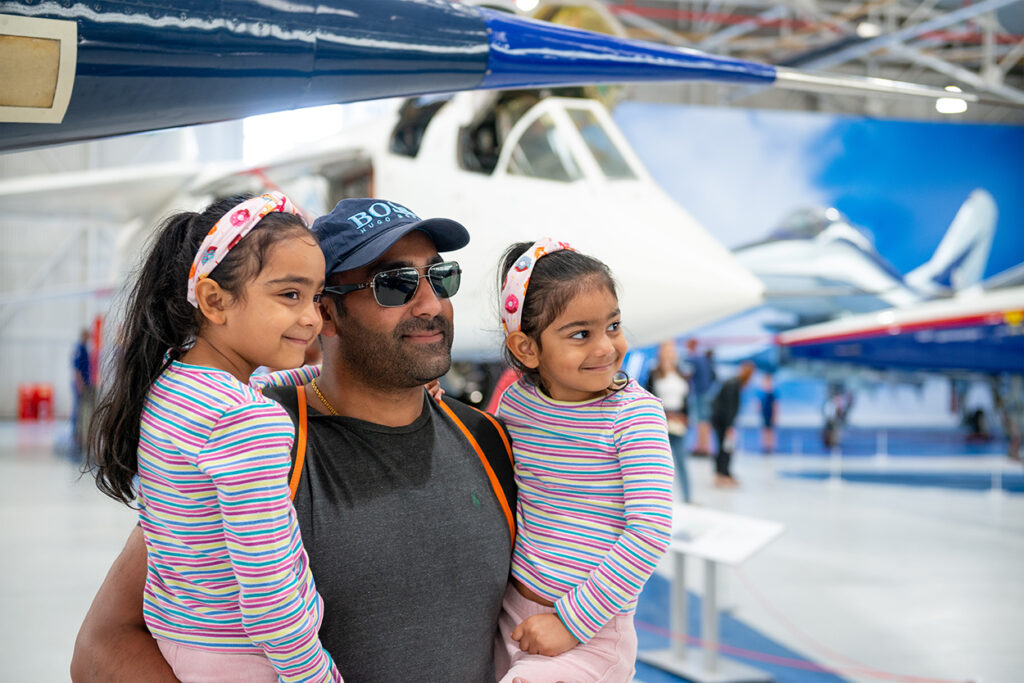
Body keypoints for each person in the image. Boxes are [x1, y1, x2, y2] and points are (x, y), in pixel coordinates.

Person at [71, 197, 516, 682]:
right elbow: (104, 644)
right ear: (325, 312)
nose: (431, 304)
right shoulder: (252, 440)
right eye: (396, 285)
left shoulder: (489, 441)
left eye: (440, 276)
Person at [85, 192, 341, 682]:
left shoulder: (170, 385)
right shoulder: (248, 421)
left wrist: (318, 377)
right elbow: (270, 593)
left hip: (181, 640)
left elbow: (258, 385)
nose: (311, 318)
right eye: (290, 295)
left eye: (316, 297)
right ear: (214, 300)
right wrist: (315, 675)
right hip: (247, 660)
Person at [493, 238, 674, 683]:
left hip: (590, 630)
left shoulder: (635, 414)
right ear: (526, 348)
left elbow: (650, 531)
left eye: (613, 326)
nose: (606, 348)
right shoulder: (518, 404)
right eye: (581, 334)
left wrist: (571, 622)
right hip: (509, 612)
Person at [646, 340, 692, 502]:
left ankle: (688, 498)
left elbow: (686, 399)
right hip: (661, 421)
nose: (669, 352)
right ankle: (656, 499)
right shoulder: (654, 374)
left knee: (681, 461)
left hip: (679, 422)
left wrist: (686, 418)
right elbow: (648, 397)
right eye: (666, 349)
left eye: (672, 349)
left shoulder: (681, 373)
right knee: (658, 463)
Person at [710, 361, 755, 487]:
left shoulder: (735, 383)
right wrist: (729, 426)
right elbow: (728, 407)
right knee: (724, 448)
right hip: (722, 421)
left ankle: (724, 473)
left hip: (722, 420)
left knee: (725, 448)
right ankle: (722, 474)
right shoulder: (733, 384)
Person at [684, 338, 715, 456]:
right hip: (706, 391)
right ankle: (704, 445)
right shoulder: (703, 358)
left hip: (699, 392)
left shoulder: (693, 358)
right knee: (705, 420)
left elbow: (687, 373)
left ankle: (702, 447)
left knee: (701, 420)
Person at [71, 328, 93, 451]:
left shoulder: (84, 348)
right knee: (77, 408)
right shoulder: (79, 349)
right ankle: (76, 433)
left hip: (84, 382)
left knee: (80, 409)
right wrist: (79, 383)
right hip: (79, 383)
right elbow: (77, 369)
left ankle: (77, 432)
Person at [759, 373, 778, 454]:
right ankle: (765, 447)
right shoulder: (762, 394)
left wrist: (774, 416)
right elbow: (759, 404)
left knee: (770, 432)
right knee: (764, 431)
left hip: (770, 415)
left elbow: (775, 405)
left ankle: (770, 447)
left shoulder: (772, 394)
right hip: (764, 415)